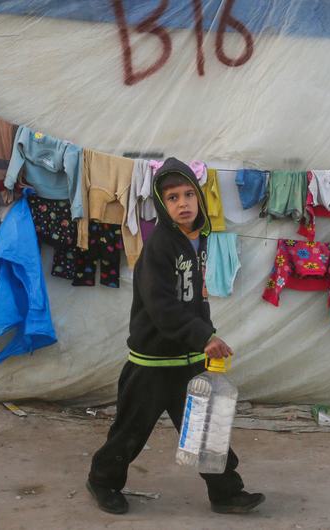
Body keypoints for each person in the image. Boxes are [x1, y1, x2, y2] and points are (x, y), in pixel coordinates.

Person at [86, 158, 265, 515]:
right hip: (151, 363)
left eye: (187, 194)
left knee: (206, 431)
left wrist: (208, 335)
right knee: (129, 433)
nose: (182, 203)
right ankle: (102, 481)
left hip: (188, 360)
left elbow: (195, 300)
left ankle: (226, 492)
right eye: (171, 198)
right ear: (162, 206)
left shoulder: (194, 243)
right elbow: (162, 306)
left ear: (199, 198)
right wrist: (202, 336)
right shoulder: (159, 247)